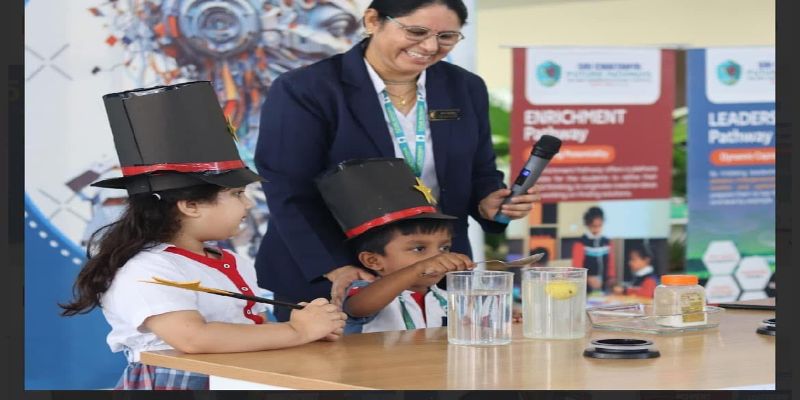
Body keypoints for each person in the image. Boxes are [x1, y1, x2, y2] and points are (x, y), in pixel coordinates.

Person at [255, 0, 541, 322]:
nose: (430, 46)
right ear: (372, 20)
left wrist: (489, 200)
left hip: (436, 272)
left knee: (437, 355)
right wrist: (336, 267)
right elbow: (288, 188)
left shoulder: (463, 87)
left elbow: (479, 171)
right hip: (336, 271)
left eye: (446, 37)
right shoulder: (308, 89)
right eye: (416, 32)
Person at [59, 82, 346, 390]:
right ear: (190, 205)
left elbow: (251, 328)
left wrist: (310, 329)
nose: (248, 204)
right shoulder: (146, 268)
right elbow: (192, 338)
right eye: (236, 194)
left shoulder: (230, 260)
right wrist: (297, 332)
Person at [316, 158, 474, 333]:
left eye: (444, 248)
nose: (437, 257)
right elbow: (357, 308)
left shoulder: (448, 299)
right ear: (373, 261)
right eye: (419, 249)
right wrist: (418, 269)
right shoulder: (367, 291)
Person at [571, 206, 616, 292]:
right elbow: (577, 269)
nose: (596, 229)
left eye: (599, 226)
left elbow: (611, 265)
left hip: (604, 287)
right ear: (587, 224)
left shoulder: (607, 242)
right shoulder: (580, 243)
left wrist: (611, 278)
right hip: (586, 287)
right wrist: (587, 278)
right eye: (593, 226)